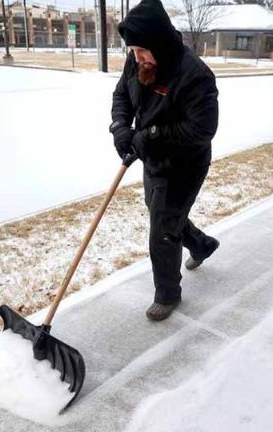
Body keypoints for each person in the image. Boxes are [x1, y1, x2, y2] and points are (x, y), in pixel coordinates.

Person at [109, 0, 220, 321]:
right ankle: (201, 245)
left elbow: (202, 129)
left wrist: (150, 135)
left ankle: (168, 293)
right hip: (153, 158)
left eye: (143, 50)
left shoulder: (194, 74)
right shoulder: (137, 62)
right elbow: (120, 97)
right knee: (163, 215)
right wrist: (120, 129)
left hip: (185, 163)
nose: (138, 57)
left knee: (163, 228)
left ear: (159, 43)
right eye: (133, 51)